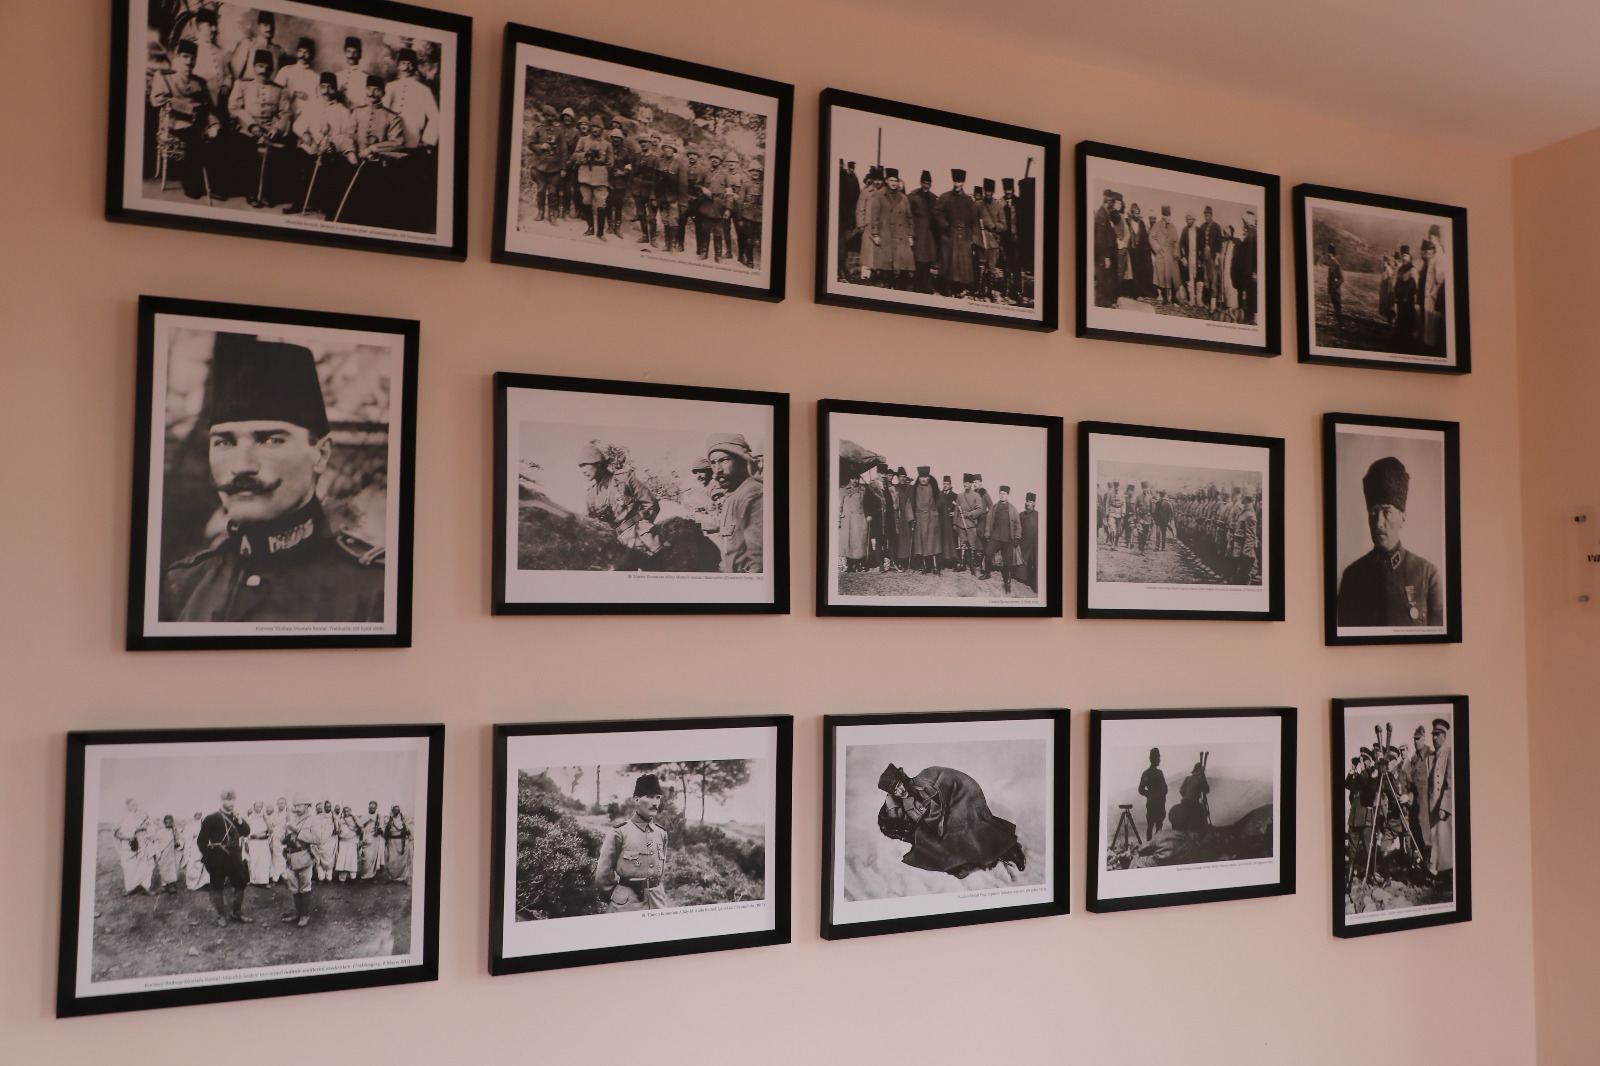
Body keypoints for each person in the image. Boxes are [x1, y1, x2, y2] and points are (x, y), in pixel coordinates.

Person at [160, 336, 386, 623]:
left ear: (321, 454)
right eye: (225, 442)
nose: (242, 466)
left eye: (271, 440)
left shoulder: (375, 587)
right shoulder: (185, 584)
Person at [1336, 456, 1444, 627]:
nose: (1379, 522)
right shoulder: (1352, 577)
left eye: (1387, 512)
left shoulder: (1427, 574)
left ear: (1403, 517)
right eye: (1373, 512)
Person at [875, 763, 1025, 877]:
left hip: (959, 797)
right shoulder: (905, 804)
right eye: (895, 790)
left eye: (899, 785)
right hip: (942, 816)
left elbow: (949, 785)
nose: (900, 790)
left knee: (970, 826)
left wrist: (943, 822)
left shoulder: (923, 781)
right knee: (945, 844)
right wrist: (892, 802)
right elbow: (897, 817)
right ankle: (974, 854)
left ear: (903, 778)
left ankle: (1010, 849)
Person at [149, 39, 223, 202]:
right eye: (185, 57)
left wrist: (214, 124)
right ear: (177, 57)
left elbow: (207, 107)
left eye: (192, 58)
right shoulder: (164, 77)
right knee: (194, 139)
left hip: (199, 123)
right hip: (175, 123)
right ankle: (192, 186)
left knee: (220, 138)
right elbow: (157, 100)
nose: (189, 61)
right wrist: (189, 107)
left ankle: (214, 186)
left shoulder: (199, 82)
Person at [578, 441, 660, 566]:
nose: (583, 471)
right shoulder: (591, 494)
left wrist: (645, 527)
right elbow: (590, 523)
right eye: (581, 466)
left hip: (642, 537)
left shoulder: (624, 479)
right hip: (618, 545)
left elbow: (651, 504)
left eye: (585, 465)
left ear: (598, 464)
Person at [595, 774, 669, 911]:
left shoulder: (661, 833)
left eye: (658, 797)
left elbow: (660, 872)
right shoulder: (619, 832)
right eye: (649, 797)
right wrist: (618, 897)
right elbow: (602, 877)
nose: (655, 803)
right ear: (637, 800)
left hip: (657, 903)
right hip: (626, 906)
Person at [701, 434, 761, 574]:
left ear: (741, 461)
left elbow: (759, 563)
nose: (718, 469)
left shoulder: (752, 494)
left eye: (724, 460)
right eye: (713, 463)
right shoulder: (731, 495)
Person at [197, 791, 252, 927]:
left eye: (233, 800)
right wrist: (209, 858)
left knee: (240, 884)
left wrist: (240, 821)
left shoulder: (236, 817)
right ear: (222, 801)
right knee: (217, 886)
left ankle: (236, 913)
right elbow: (201, 841)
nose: (231, 803)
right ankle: (221, 916)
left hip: (235, 857)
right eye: (228, 800)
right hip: (218, 858)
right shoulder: (211, 818)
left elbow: (246, 832)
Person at [935, 169, 980, 298]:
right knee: (949, 263)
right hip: (949, 235)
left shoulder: (969, 200)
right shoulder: (945, 197)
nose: (957, 184)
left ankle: (958, 288)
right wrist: (945, 225)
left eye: (959, 182)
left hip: (964, 236)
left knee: (961, 264)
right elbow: (936, 212)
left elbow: (974, 221)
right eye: (955, 181)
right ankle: (946, 288)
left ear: (963, 182)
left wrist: (973, 238)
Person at [868, 169, 915, 289]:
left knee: (900, 266)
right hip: (886, 235)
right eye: (891, 180)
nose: (893, 183)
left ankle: (897, 287)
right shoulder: (879, 197)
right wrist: (875, 234)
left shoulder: (903, 198)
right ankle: (886, 285)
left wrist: (910, 235)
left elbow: (909, 218)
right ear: (886, 181)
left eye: (895, 180)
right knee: (886, 265)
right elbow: (874, 217)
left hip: (900, 236)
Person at [279, 795, 317, 927]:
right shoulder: (292, 819)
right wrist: (285, 833)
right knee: (294, 888)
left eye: (299, 805)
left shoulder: (313, 820)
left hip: (304, 856)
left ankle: (304, 915)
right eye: (295, 806)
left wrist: (296, 830)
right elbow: (282, 839)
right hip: (290, 857)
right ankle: (297, 913)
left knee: (305, 887)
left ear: (307, 806)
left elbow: (316, 839)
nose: (296, 808)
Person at [1130, 802, 1200, 867]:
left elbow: (1141, 850)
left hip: (1158, 866)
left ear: (1170, 818)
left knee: (1135, 861)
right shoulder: (1192, 840)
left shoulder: (1161, 835)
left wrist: (1136, 849)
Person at [1427, 718, 1454, 877]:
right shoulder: (1431, 756)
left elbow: (1450, 782)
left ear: (1444, 736)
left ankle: (1448, 876)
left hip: (1443, 806)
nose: (1434, 738)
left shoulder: (1449, 753)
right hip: (1433, 805)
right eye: (1433, 735)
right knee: (1436, 840)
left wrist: (1445, 806)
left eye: (1438, 735)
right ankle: (1437, 873)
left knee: (1445, 840)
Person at [1405, 726, 1434, 867]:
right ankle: (1421, 860)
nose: (1416, 742)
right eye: (1415, 739)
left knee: (1426, 830)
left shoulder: (1431, 755)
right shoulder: (1413, 759)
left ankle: (1430, 862)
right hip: (1415, 800)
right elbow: (1410, 782)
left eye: (1418, 739)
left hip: (1427, 800)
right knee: (1415, 829)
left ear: (1424, 738)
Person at [984, 485, 1022, 592]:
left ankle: (1007, 582)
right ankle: (987, 573)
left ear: (1007, 495)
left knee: (1008, 560)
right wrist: (987, 534)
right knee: (987, 553)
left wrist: (1017, 537)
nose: (1002, 495)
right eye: (1000, 493)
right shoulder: (994, 508)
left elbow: (1017, 524)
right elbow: (988, 522)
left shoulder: (1012, 509)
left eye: (1004, 494)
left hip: (1007, 539)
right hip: (995, 537)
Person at [908, 170, 940, 293]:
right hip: (918, 234)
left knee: (927, 262)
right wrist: (910, 233)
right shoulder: (913, 197)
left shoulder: (934, 198)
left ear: (931, 184)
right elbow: (908, 215)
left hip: (929, 236)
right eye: (924, 183)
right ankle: (917, 286)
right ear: (920, 183)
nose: (926, 185)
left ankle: (926, 286)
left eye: (928, 183)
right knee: (918, 262)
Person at [114, 799, 154, 894]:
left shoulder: (142, 816)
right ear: (127, 806)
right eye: (132, 805)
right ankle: (129, 888)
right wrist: (128, 838)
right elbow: (116, 833)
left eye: (136, 805)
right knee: (128, 867)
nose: (135, 807)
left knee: (146, 865)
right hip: (128, 846)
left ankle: (146, 887)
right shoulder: (123, 818)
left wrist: (144, 828)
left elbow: (150, 828)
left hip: (143, 845)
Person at [1092, 188, 1121, 307]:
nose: (1113, 205)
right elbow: (1100, 240)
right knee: (1102, 280)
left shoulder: (1105, 213)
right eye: (1111, 202)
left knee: (1105, 279)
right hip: (1102, 254)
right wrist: (1106, 257)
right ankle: (1102, 304)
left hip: (1105, 253)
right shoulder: (1101, 215)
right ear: (1108, 201)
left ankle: (1106, 303)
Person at [1418, 237, 1448, 352]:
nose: (1428, 252)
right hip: (1427, 296)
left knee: (1433, 322)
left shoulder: (1437, 259)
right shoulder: (1429, 261)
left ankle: (1431, 347)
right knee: (1428, 321)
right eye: (1427, 250)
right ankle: (1427, 344)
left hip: (1433, 297)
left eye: (1430, 249)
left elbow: (1440, 279)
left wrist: (1433, 293)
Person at [839, 469, 871, 572]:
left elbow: (867, 504)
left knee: (859, 543)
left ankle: (858, 563)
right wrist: (839, 520)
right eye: (853, 478)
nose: (855, 481)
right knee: (848, 543)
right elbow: (840, 506)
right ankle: (849, 564)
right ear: (849, 479)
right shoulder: (843, 490)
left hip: (860, 519)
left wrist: (868, 515)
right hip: (848, 520)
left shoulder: (863, 489)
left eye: (857, 478)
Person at [1148, 205, 1180, 304]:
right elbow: (1151, 238)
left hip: (1171, 255)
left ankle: (1174, 297)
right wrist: (1158, 248)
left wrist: (1176, 252)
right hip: (1162, 254)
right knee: (1162, 277)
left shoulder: (1173, 227)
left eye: (1169, 215)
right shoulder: (1157, 226)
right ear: (1163, 215)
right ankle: (1165, 297)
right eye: (1166, 216)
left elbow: (1176, 241)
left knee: (1173, 277)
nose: (1168, 218)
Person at [1136, 748, 1170, 840]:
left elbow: (1141, 789)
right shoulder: (1159, 773)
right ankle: (1158, 845)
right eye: (1158, 758)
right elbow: (1165, 789)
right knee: (1158, 827)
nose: (1159, 760)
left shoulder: (1146, 773)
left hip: (1151, 803)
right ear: (1155, 759)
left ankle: (1148, 845)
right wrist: (1159, 794)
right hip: (1159, 804)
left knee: (1150, 826)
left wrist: (1149, 794)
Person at [1126, 203, 1152, 298]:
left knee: (1140, 271)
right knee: (1131, 272)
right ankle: (1132, 293)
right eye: (1135, 213)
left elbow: (1144, 238)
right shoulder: (1128, 222)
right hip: (1131, 251)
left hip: (1140, 252)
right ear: (1132, 213)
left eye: (1138, 213)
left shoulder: (1141, 224)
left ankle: (1140, 292)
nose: (1136, 215)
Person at [335, 37, 369, 109]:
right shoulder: (337, 76)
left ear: (360, 55)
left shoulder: (365, 78)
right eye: (349, 51)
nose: (351, 55)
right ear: (345, 53)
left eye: (355, 52)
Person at [1393, 247, 1418, 341]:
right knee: (1400, 317)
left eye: (1406, 256)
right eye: (1403, 256)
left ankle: (1408, 338)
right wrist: (1396, 295)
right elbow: (1397, 283)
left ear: (1409, 257)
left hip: (1408, 298)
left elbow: (1413, 285)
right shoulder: (1400, 269)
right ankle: (1400, 337)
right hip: (1400, 297)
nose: (1404, 258)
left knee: (1408, 318)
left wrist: (1407, 296)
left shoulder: (1412, 269)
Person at [384, 805, 413, 884]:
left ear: (400, 811)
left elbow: (408, 831)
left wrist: (406, 831)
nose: (396, 812)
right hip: (392, 842)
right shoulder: (388, 819)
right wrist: (390, 820)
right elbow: (386, 831)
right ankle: (391, 877)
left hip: (402, 842)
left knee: (403, 860)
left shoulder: (403, 819)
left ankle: (403, 878)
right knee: (392, 860)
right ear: (392, 811)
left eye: (398, 810)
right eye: (395, 810)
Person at [244, 800, 272, 884]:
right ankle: (253, 880)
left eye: (260, 807)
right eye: (256, 806)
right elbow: (246, 832)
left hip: (264, 842)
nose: (258, 808)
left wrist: (266, 820)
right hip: (253, 842)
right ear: (254, 807)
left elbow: (270, 830)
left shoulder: (265, 817)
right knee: (253, 860)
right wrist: (246, 842)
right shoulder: (249, 818)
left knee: (264, 860)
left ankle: (264, 881)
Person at [1179, 760, 1210, 828]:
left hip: (1185, 801)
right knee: (1196, 819)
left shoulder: (1187, 778)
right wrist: (1204, 779)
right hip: (1194, 802)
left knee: (1187, 818)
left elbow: (1181, 790)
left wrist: (1186, 796)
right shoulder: (1200, 780)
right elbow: (1207, 790)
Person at [184, 811, 210, 890]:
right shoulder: (189, 825)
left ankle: (204, 883)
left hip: (204, 845)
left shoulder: (204, 823)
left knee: (204, 864)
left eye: (200, 814)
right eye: (197, 814)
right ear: (194, 815)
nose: (199, 816)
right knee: (194, 864)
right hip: (194, 846)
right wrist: (193, 836)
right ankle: (192, 884)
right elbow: (186, 836)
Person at [1019, 491, 1039, 591]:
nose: (1028, 503)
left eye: (1030, 502)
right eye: (1027, 501)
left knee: (1036, 563)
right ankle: (1024, 581)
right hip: (1025, 543)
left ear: (1034, 503)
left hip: (1036, 544)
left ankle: (1035, 585)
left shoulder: (1038, 515)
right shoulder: (1021, 515)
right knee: (1024, 563)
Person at [334, 806, 360, 881]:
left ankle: (353, 878)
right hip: (343, 842)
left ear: (350, 811)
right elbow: (337, 830)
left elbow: (360, 829)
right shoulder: (340, 820)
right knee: (342, 860)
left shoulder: (355, 820)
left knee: (352, 860)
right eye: (345, 811)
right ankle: (342, 879)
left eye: (348, 811)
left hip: (352, 842)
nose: (346, 812)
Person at [266, 795, 289, 883]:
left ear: (285, 804)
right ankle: (276, 876)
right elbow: (270, 826)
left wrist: (286, 835)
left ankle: (283, 874)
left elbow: (289, 827)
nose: (281, 805)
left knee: (283, 856)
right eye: (279, 803)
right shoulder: (274, 815)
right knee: (274, 857)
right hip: (274, 838)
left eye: (282, 803)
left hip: (283, 838)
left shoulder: (288, 814)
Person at [1325, 242, 1344, 324]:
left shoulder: (1337, 264)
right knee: (1334, 305)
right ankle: (1338, 322)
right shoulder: (1330, 263)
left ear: (1333, 254)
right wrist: (1329, 288)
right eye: (1328, 253)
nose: (1328, 255)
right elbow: (1329, 278)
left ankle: (1340, 324)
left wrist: (1335, 285)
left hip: (1336, 290)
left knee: (1338, 306)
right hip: (1332, 289)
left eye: (1330, 253)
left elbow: (1342, 279)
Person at [1379, 253, 1397, 323]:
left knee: (1388, 305)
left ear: (1388, 263)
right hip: (1383, 291)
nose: (1384, 263)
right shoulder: (1385, 270)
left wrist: (1389, 290)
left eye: (1385, 262)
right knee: (1384, 305)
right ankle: (1388, 319)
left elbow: (1390, 281)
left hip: (1387, 291)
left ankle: (1391, 319)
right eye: (1383, 262)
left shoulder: (1389, 270)